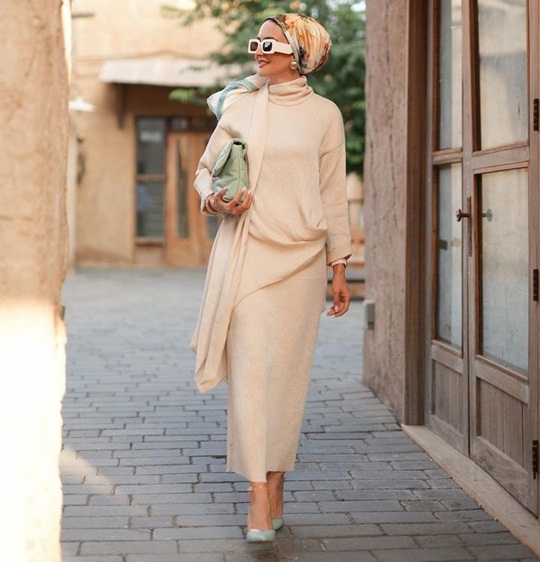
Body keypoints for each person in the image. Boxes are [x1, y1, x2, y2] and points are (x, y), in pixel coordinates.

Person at [190, 13, 352, 543]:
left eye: (271, 45)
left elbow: (332, 192)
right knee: (251, 371)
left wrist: (339, 266)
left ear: (300, 56)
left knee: (286, 376)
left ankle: (278, 481)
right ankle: (257, 491)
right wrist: (216, 200)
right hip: (247, 252)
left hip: (301, 259)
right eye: (256, 44)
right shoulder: (239, 106)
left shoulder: (325, 115)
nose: (259, 52)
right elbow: (205, 171)